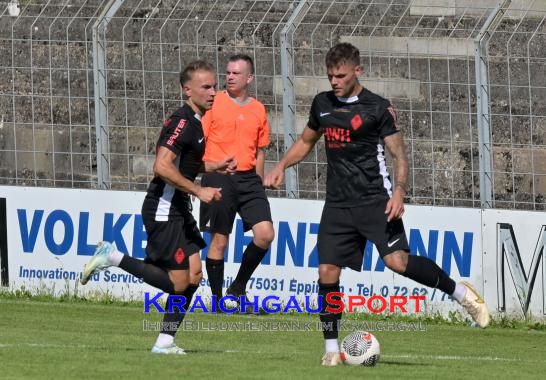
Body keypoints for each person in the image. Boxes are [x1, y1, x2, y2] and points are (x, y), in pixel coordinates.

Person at [264, 43, 490, 366]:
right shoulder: (322, 104)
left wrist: (399, 192)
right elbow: (305, 142)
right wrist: (280, 166)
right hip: (338, 205)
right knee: (327, 271)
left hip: (375, 201)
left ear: (358, 70)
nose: (334, 82)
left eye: (340, 75)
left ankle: (462, 295)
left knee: (398, 262)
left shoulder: (378, 108)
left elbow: (399, 154)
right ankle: (331, 349)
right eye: (330, 76)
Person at [81, 60, 236, 355]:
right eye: (206, 87)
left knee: (193, 276)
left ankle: (165, 342)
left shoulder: (196, 122)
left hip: (178, 207)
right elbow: (162, 166)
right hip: (164, 209)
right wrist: (198, 190)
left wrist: (216, 166)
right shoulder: (182, 122)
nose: (213, 92)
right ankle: (111, 256)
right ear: (187, 90)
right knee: (178, 283)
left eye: (214, 86)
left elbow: (186, 164)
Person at [199, 54, 274, 313]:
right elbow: (199, 141)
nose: (230, 77)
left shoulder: (258, 109)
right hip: (219, 178)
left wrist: (260, 181)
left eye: (236, 73)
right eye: (228, 72)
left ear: (249, 78)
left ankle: (238, 288)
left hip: (249, 179)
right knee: (219, 241)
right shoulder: (214, 103)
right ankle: (219, 301)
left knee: (265, 235)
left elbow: (261, 149)